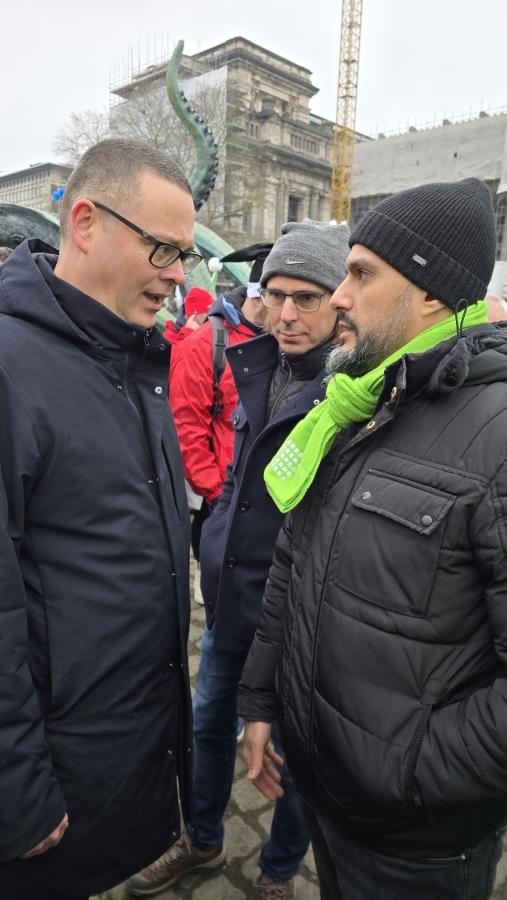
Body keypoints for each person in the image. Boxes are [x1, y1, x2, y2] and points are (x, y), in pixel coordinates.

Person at [238, 179, 507, 900]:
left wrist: (407, 771)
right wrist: (263, 703)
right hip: (328, 797)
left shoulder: (497, 433)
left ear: (429, 293)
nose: (339, 298)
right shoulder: (358, 402)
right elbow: (292, 566)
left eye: (360, 274)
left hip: (417, 839)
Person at [127, 219, 350, 899]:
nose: (285, 312)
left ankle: (279, 872)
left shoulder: (356, 392)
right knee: (207, 726)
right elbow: (230, 467)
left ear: (338, 300)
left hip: (304, 626)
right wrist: (218, 526)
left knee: (292, 760)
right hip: (229, 602)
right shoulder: (251, 364)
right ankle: (201, 838)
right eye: (275, 293)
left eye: (306, 297)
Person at [0, 137, 199, 900]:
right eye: (162, 249)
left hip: (116, 750)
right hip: (50, 773)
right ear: (84, 223)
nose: (179, 273)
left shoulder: (132, 359)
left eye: (184, 253)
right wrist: (16, 789)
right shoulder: (12, 366)